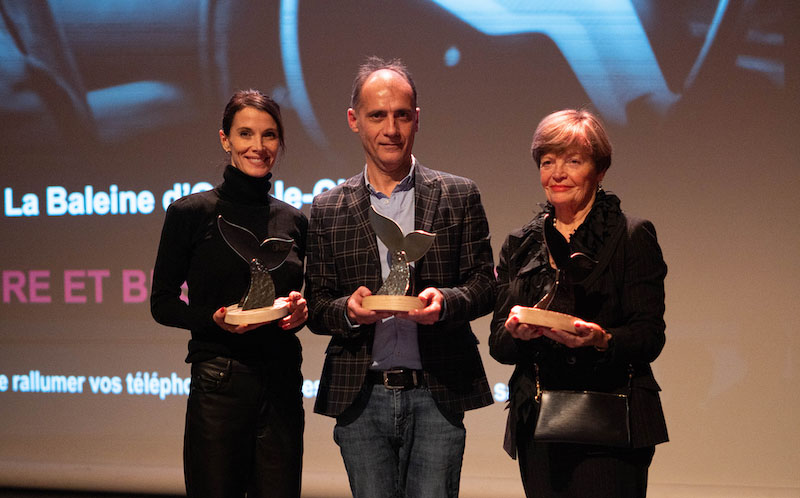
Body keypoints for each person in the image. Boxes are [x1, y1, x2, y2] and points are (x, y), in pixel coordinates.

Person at [305, 56, 496, 498]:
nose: (390, 129)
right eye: (377, 115)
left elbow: (485, 284)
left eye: (401, 115)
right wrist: (348, 311)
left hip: (437, 390)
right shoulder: (329, 206)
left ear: (416, 120)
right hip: (361, 394)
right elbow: (316, 303)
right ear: (354, 121)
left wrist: (445, 303)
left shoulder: (458, 194)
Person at [490, 109, 668, 497]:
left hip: (609, 419)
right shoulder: (519, 244)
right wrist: (520, 333)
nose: (558, 173)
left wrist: (601, 340)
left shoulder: (631, 235)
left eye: (574, 161)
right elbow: (498, 345)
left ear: (599, 170)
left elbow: (649, 335)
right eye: (548, 161)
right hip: (538, 422)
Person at [150, 89, 308, 498]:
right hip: (219, 380)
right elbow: (163, 302)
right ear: (225, 140)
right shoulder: (191, 213)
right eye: (245, 134)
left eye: (269, 135)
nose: (258, 146)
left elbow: (299, 300)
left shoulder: (294, 221)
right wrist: (212, 319)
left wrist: (299, 312)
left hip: (281, 383)